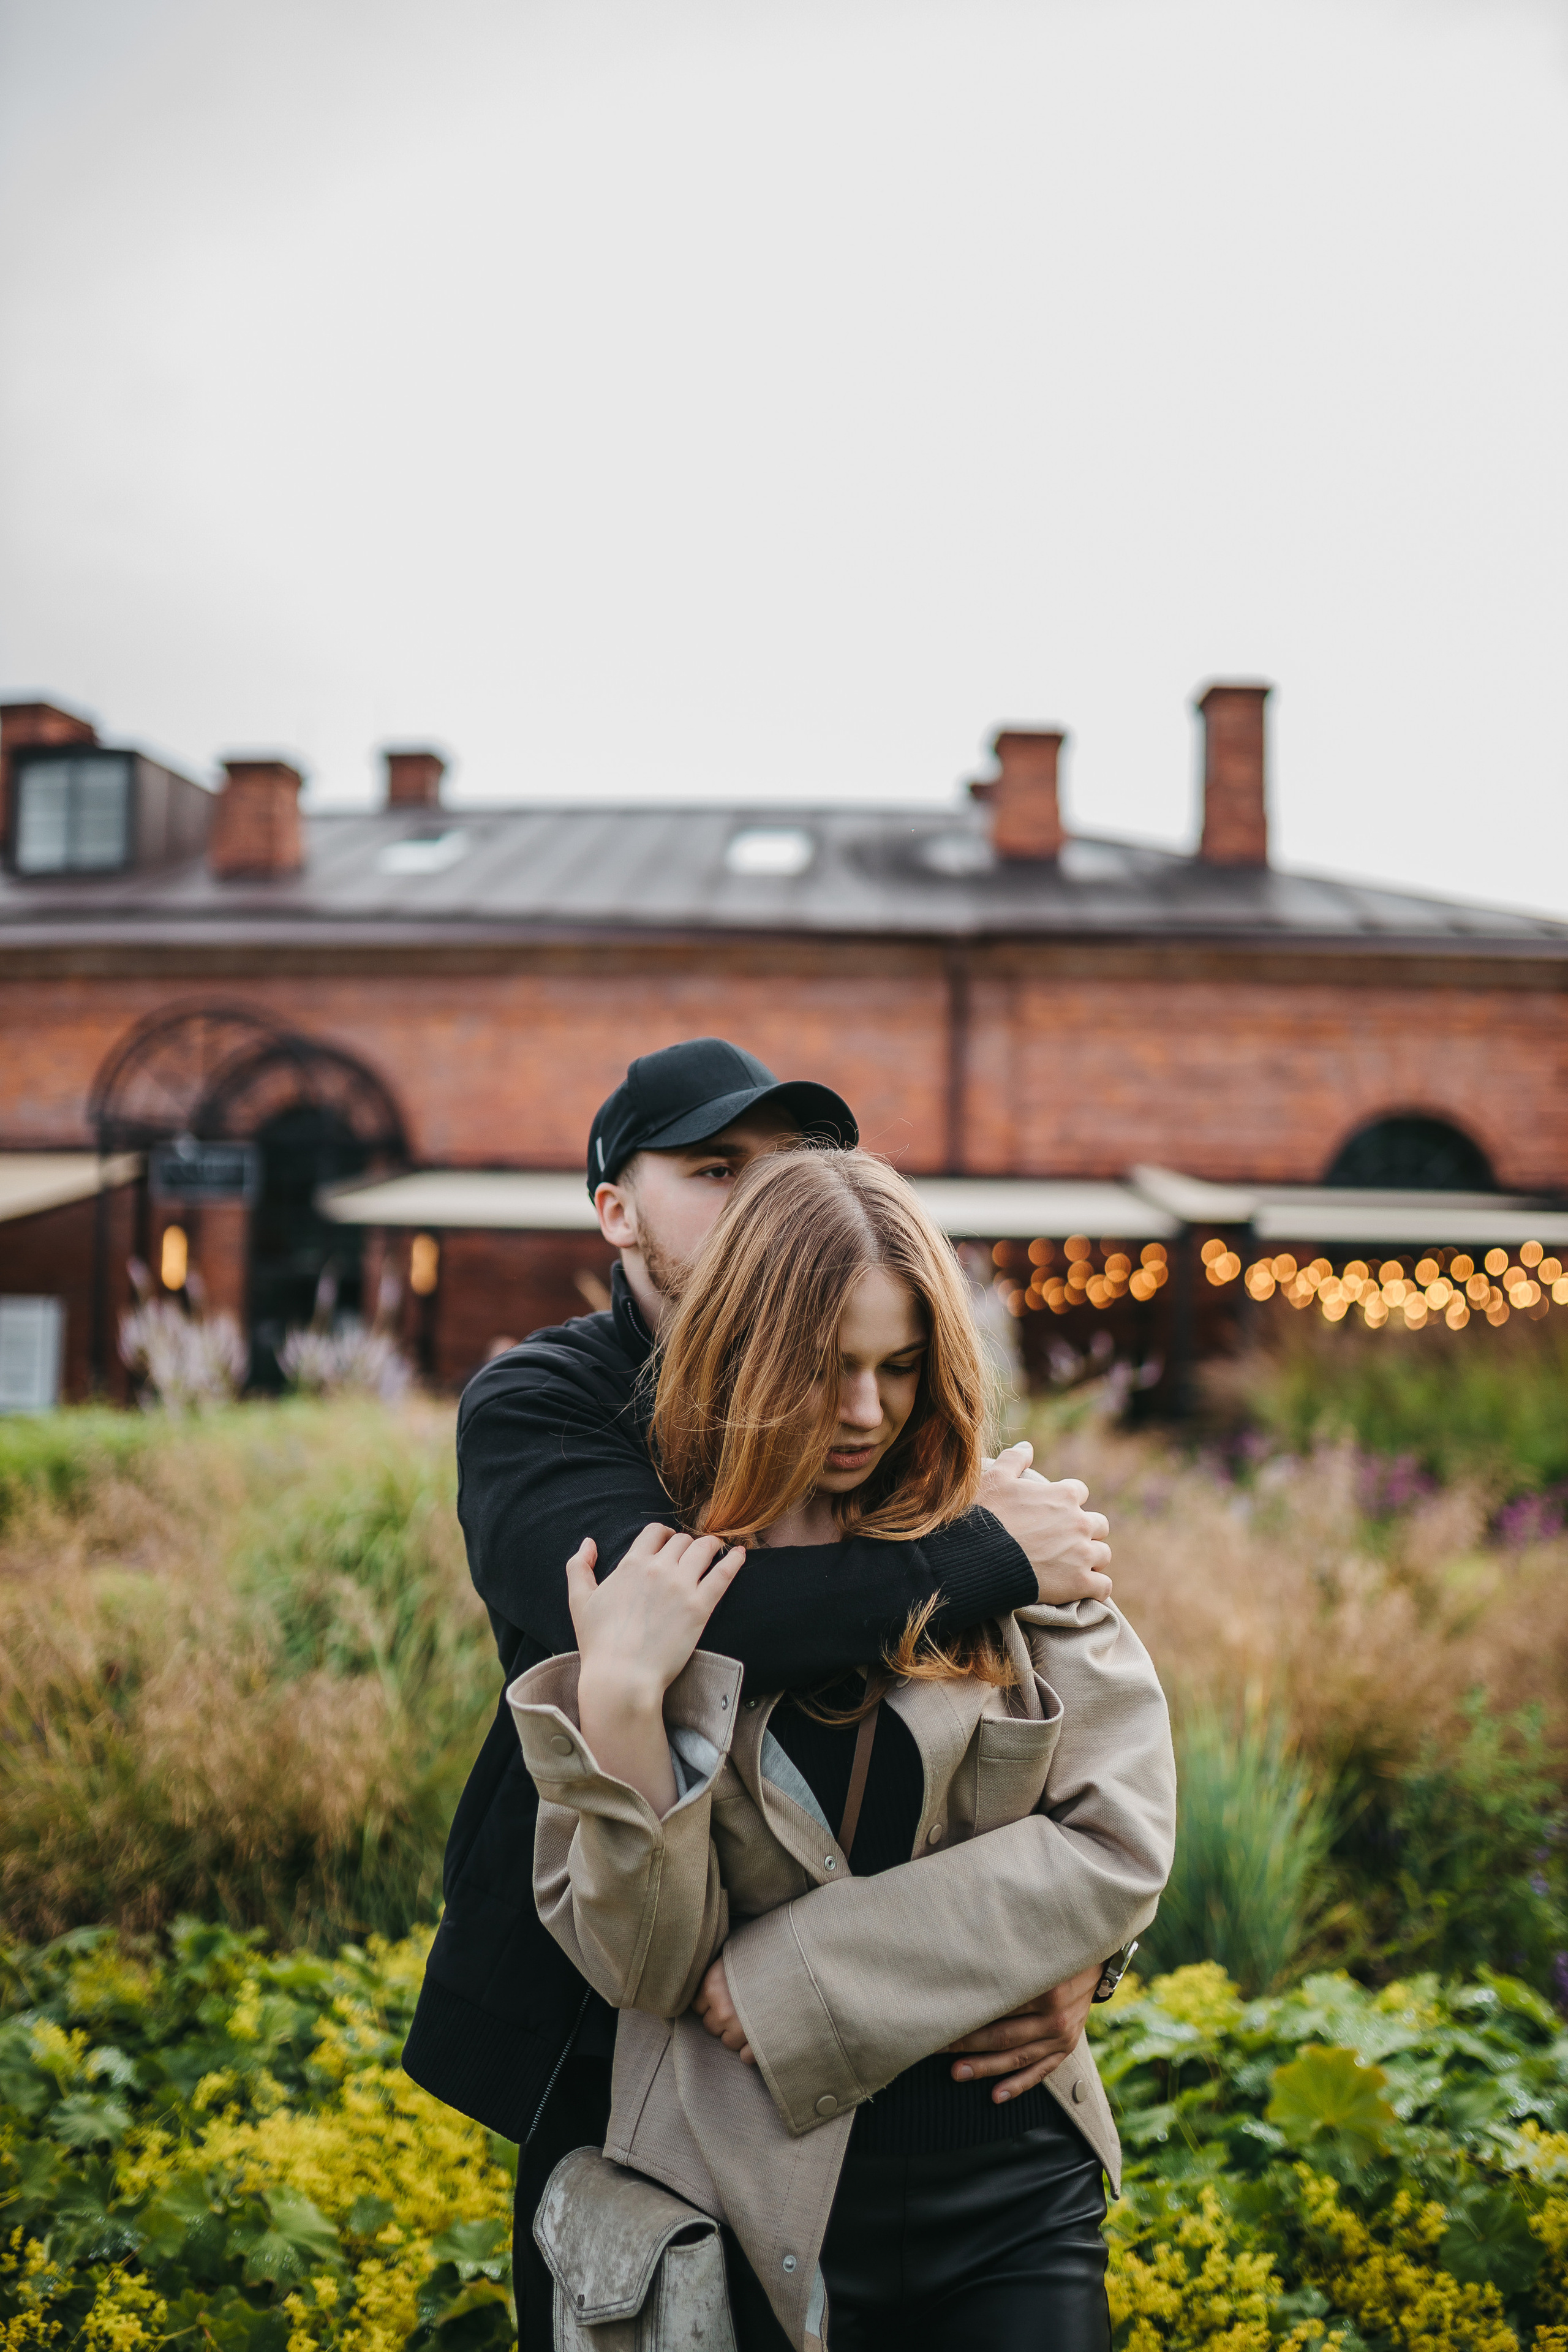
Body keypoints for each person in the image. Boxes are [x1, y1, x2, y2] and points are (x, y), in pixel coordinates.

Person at [400, 1039, 1118, 2342]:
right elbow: (699, 1635)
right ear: (613, 1207)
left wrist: (1066, 1946)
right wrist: (984, 1556)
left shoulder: (895, 1432)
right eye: (713, 1168)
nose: (760, 1200)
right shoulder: (545, 1399)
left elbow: (1073, 1777)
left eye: (788, 1172)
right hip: (608, 1989)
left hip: (943, 2112)